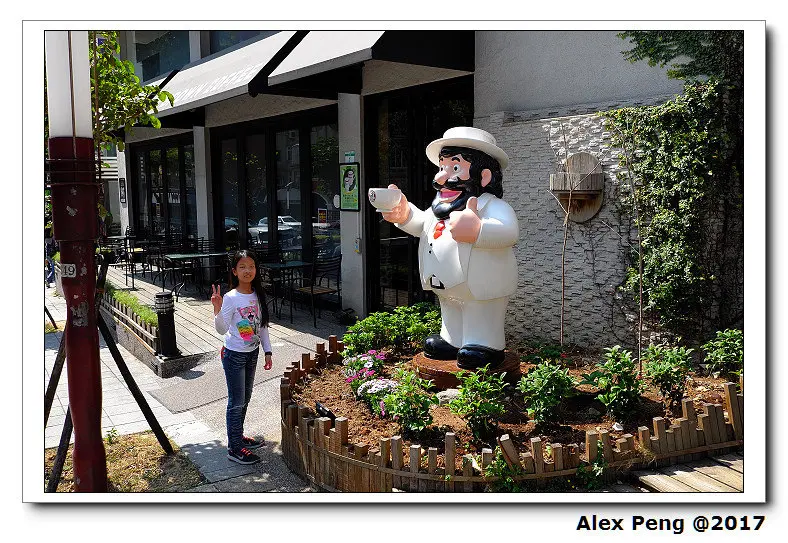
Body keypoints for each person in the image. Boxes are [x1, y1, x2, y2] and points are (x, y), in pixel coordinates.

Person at [380, 127, 518, 369]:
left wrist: (479, 231)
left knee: (480, 312)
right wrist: (404, 214)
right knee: (451, 309)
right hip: (447, 284)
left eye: (454, 168)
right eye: (441, 167)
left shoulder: (492, 206)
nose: (441, 178)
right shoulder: (441, 207)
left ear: (483, 176)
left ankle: (485, 344)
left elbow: (509, 231)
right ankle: (452, 339)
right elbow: (422, 223)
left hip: (482, 286)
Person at [212, 249, 274, 465]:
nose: (248, 270)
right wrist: (217, 309)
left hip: (252, 353)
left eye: (251, 266)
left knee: (245, 399)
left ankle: (238, 436)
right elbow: (221, 329)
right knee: (236, 401)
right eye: (242, 267)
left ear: (256, 270)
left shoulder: (258, 294)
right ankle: (234, 448)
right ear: (234, 271)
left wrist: (268, 351)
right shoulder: (231, 298)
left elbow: (263, 326)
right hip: (234, 354)